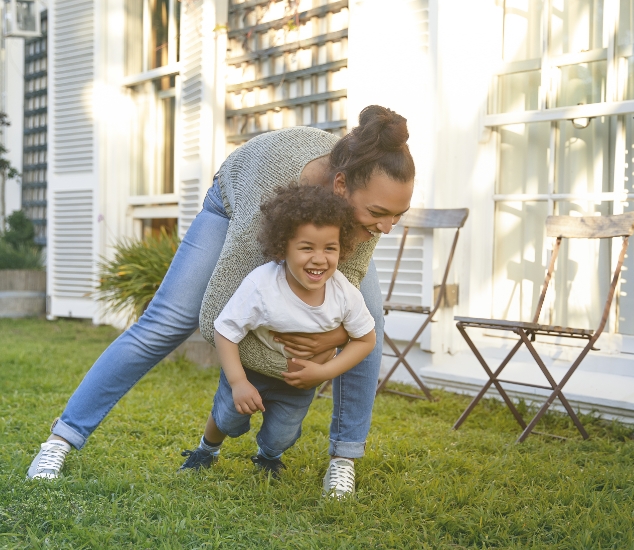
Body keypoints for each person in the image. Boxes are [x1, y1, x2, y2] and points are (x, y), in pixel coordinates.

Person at [27, 105, 415, 497]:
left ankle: (343, 458)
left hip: (323, 221)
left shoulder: (371, 204)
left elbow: (343, 300)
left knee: (372, 326)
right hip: (236, 202)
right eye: (379, 214)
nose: (387, 227)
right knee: (165, 322)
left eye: (397, 216)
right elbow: (220, 311)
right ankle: (61, 439)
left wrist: (332, 340)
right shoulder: (272, 179)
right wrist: (246, 381)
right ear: (341, 186)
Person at [180, 186, 376, 493]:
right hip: (252, 372)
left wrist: (324, 372)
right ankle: (207, 448)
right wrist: (238, 382)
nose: (319, 259)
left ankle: (268, 456)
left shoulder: (343, 293)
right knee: (229, 417)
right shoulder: (262, 284)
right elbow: (226, 330)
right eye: (306, 247)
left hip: (298, 382)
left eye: (330, 248)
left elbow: (366, 339)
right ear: (283, 247)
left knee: (281, 436)